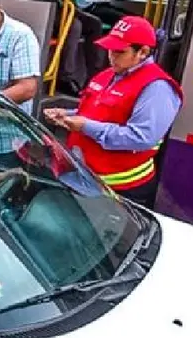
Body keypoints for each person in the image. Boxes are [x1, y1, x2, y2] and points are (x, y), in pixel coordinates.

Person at [44, 16, 183, 206]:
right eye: (110, 49)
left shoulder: (157, 88)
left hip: (122, 191)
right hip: (86, 178)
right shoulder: (108, 74)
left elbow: (141, 137)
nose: (111, 56)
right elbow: (98, 109)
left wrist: (85, 126)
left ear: (143, 52)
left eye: (119, 51)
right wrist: (66, 115)